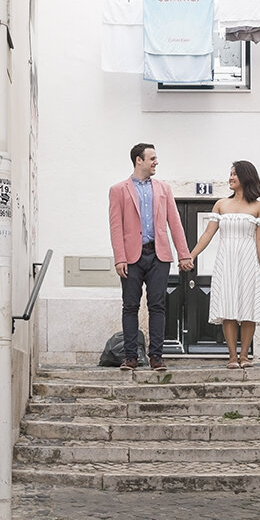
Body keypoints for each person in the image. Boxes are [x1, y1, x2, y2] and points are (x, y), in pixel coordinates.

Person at [108, 142, 193, 370]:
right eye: (152, 158)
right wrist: (120, 258)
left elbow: (175, 223)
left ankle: (156, 357)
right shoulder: (118, 190)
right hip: (131, 258)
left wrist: (183, 254)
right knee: (130, 306)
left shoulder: (164, 189)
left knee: (158, 306)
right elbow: (116, 227)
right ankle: (131, 357)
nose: (156, 162)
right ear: (139, 160)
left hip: (159, 255)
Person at [189, 159, 260, 369]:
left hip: (249, 261)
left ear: (246, 177)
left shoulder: (259, 207)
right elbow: (208, 233)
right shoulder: (221, 204)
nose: (230, 178)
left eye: (234, 174)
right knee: (228, 306)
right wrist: (192, 255)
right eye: (230, 173)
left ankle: (245, 356)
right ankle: (232, 357)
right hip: (226, 260)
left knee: (248, 308)